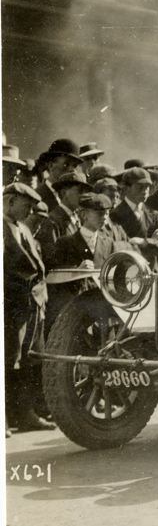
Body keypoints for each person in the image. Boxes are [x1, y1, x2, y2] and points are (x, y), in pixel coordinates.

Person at [3, 182, 53, 433]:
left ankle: (25, 414)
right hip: (11, 305)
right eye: (27, 205)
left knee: (27, 360)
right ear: (10, 201)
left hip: (32, 305)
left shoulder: (22, 228)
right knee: (8, 360)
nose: (30, 211)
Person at [46, 193, 130, 332]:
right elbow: (53, 276)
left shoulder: (108, 243)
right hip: (73, 312)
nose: (104, 217)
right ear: (83, 215)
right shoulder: (65, 243)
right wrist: (77, 270)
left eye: (106, 213)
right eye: (99, 213)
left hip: (100, 313)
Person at [110, 167, 158, 270]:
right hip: (126, 271)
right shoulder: (115, 214)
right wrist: (153, 241)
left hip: (151, 271)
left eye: (147, 187)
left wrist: (143, 242)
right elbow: (118, 246)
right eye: (140, 187)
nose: (144, 191)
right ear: (126, 189)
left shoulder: (154, 214)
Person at [34, 168, 91, 266]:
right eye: (80, 191)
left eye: (85, 192)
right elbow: (50, 260)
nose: (83, 196)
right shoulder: (52, 221)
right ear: (64, 193)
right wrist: (76, 270)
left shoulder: (78, 219)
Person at [35, 139, 82, 213]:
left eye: (74, 166)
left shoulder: (73, 197)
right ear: (50, 165)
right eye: (66, 164)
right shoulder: (37, 197)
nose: (72, 170)